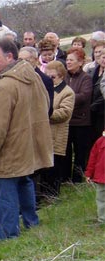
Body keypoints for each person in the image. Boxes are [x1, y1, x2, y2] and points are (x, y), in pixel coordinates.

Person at [0, 39, 52, 240]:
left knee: (6, 191)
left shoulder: (5, 85)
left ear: (10, 56)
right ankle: (32, 223)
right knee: (24, 182)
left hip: (9, 149)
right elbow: (45, 106)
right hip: (28, 144)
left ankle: (8, 235)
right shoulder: (33, 76)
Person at [42, 60, 75, 199]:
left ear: (61, 76)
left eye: (52, 77)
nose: (49, 80)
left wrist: (45, 113)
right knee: (44, 169)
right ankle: (43, 195)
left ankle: (52, 197)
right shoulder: (45, 89)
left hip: (57, 135)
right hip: (44, 134)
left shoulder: (67, 92)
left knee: (54, 169)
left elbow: (64, 113)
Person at [64, 47, 93, 183]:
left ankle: (77, 179)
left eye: (71, 60)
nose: (68, 62)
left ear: (80, 62)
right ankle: (65, 177)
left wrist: (65, 98)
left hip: (81, 121)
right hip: (67, 120)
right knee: (66, 151)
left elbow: (84, 97)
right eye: (67, 60)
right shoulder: (64, 76)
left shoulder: (85, 78)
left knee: (80, 152)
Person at [85, 131, 105, 223]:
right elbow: (92, 158)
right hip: (101, 178)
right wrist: (89, 173)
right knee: (101, 199)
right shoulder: (100, 141)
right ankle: (102, 219)